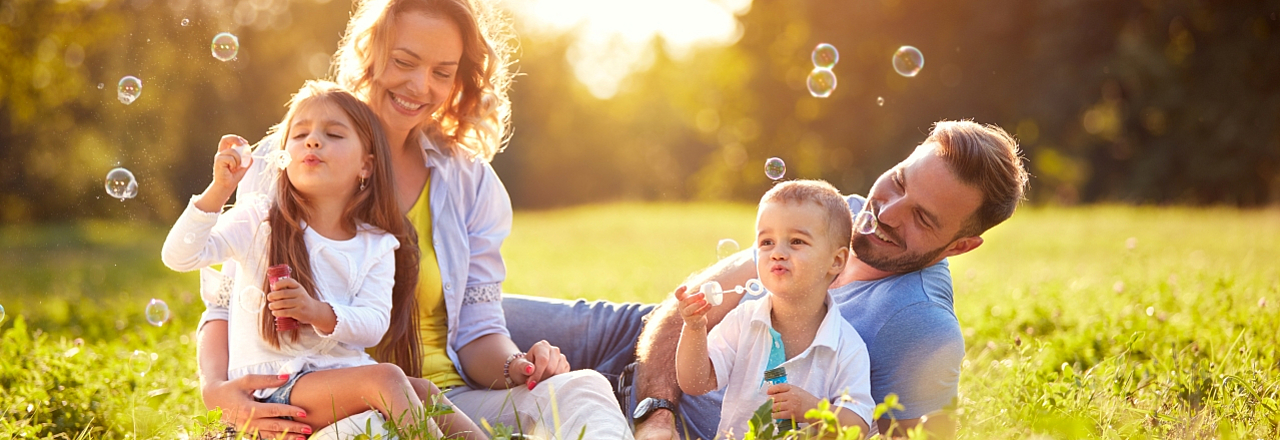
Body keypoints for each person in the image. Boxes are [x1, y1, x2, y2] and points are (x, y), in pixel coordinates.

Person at [195, 0, 632, 439]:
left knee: (583, 389)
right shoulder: (287, 160)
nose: (421, 86)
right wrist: (216, 391)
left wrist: (515, 365)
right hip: (331, 406)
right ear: (369, 53)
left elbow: (479, 331)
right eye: (404, 62)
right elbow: (226, 302)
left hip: (446, 402)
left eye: (443, 72)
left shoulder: (468, 181)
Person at [503, 120, 1029, 439]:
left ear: (961, 245)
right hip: (637, 344)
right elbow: (691, 304)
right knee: (453, 315)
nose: (886, 211)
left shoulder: (921, 327)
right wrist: (657, 412)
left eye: (924, 218)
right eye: (896, 182)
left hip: (690, 417)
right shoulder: (839, 215)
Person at [164, 81, 484, 438]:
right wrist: (219, 190)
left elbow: (375, 321)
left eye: (333, 134)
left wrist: (318, 313)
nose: (313, 141)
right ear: (284, 157)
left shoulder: (376, 244)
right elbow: (180, 255)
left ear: (366, 165)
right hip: (275, 388)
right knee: (388, 378)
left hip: (336, 379)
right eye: (300, 134)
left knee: (426, 392)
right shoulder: (258, 220)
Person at [675, 180, 873, 438]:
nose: (777, 253)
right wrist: (694, 329)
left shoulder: (845, 346)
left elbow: (859, 426)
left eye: (797, 241)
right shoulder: (743, 321)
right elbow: (695, 382)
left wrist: (814, 409)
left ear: (836, 261)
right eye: (767, 242)